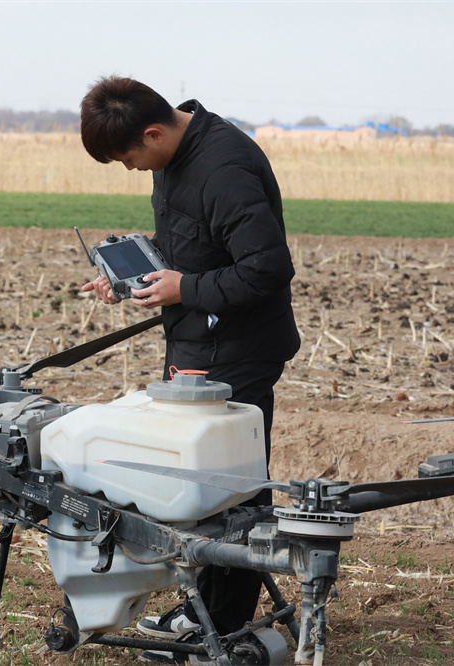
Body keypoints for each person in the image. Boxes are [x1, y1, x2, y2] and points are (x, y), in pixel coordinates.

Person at [79, 76, 301, 663]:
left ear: (153, 131)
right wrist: (139, 278)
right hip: (196, 344)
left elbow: (267, 269)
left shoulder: (223, 167)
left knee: (231, 489)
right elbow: (191, 241)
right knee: (197, 482)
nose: (131, 169)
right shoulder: (174, 156)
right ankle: (200, 611)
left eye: (129, 158)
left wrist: (184, 287)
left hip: (238, 351)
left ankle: (222, 629)